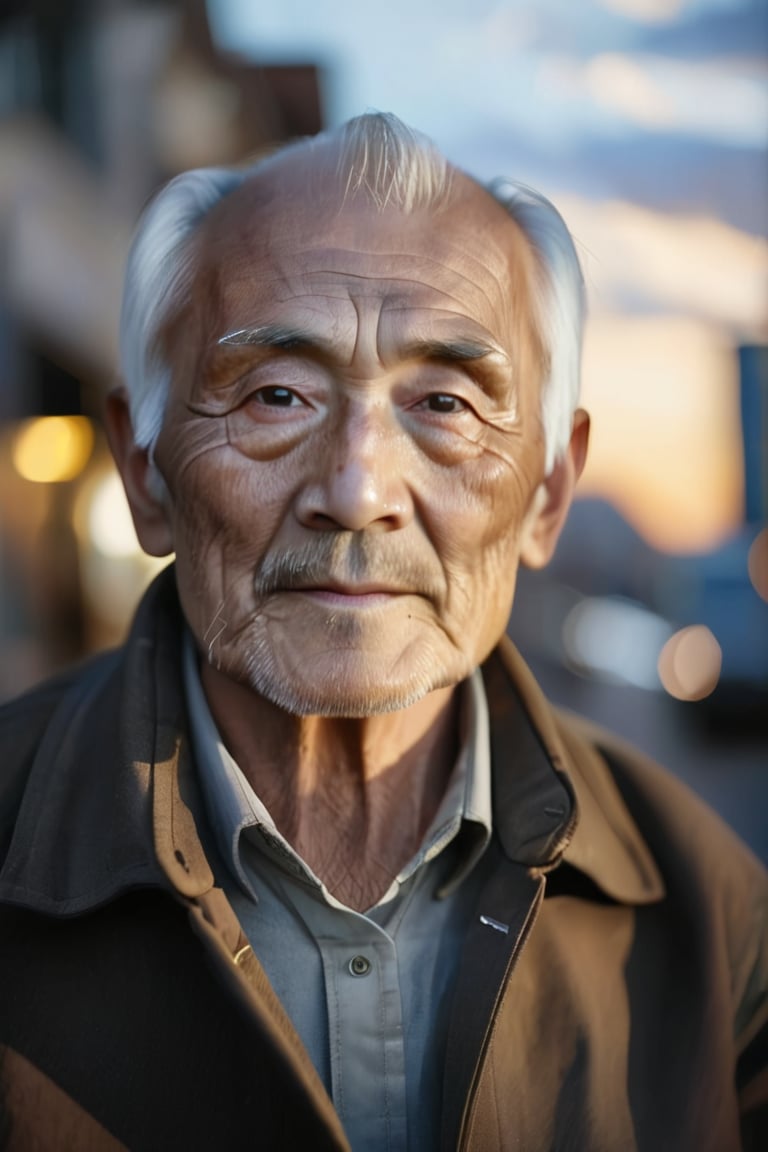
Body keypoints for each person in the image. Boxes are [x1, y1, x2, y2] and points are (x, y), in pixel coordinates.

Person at [0, 112, 765, 1152]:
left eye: (446, 405)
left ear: (548, 494)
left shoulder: (723, 921)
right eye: (276, 395)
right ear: (146, 478)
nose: (358, 490)